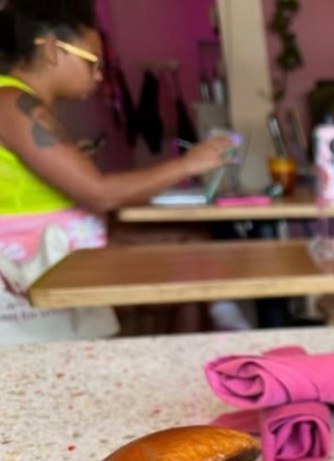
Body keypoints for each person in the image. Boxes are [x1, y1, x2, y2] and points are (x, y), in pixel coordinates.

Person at [0, 0, 232, 344]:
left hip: (55, 240)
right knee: (191, 246)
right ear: (51, 50)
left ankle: (198, 344)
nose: (98, 76)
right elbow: (101, 193)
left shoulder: (19, 102)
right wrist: (189, 163)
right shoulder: (14, 103)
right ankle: (201, 352)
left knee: (191, 242)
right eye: (92, 62)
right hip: (32, 251)